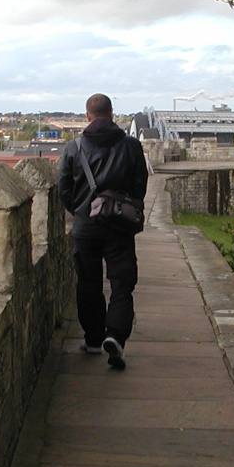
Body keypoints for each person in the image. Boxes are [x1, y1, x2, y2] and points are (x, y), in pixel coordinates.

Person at [58, 93, 148, 369]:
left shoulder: (74, 148)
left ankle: (94, 339)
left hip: (86, 228)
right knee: (122, 284)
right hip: (119, 228)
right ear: (111, 113)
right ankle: (116, 336)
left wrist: (84, 212)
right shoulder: (131, 146)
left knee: (88, 283)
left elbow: (64, 190)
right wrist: (121, 208)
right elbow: (139, 185)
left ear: (87, 116)